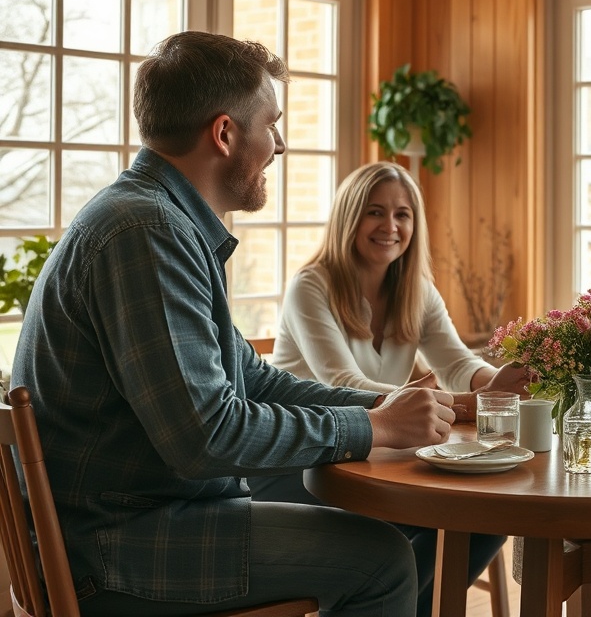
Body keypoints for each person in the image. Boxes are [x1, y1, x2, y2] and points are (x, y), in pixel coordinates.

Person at [11, 31, 459, 617]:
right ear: (224, 134)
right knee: (382, 559)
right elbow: (206, 437)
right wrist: (372, 429)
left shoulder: (163, 221)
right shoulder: (146, 233)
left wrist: (384, 411)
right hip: (114, 547)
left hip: (138, 519)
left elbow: (255, 379)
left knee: (393, 542)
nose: (279, 145)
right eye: (271, 124)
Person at [260, 160, 532, 616]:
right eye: (375, 211)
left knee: (487, 519)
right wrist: (466, 406)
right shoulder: (311, 286)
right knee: (417, 535)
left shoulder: (417, 291)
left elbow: (457, 361)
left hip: (374, 458)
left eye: (402, 214)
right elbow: (342, 384)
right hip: (303, 461)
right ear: (350, 216)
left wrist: (497, 385)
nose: (390, 226)